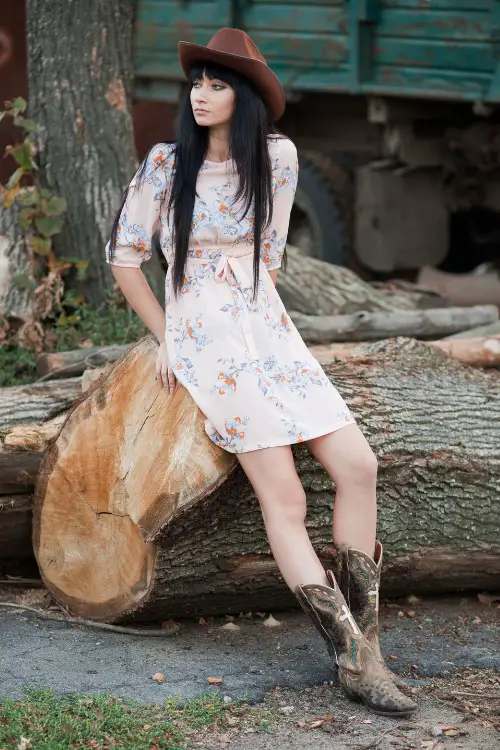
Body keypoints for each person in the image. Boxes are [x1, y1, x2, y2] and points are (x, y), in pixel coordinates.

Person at [105, 27, 416, 717]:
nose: (201, 95)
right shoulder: (165, 164)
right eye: (197, 82)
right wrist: (171, 335)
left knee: (358, 465)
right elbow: (126, 257)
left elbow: (268, 254)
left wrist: (256, 320)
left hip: (268, 331)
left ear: (245, 96)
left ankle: (371, 647)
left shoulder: (276, 157)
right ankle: (350, 661)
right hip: (206, 341)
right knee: (288, 501)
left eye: (217, 84)